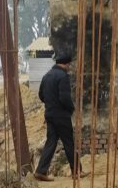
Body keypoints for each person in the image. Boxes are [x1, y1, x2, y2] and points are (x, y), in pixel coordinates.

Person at [34, 52, 84, 181]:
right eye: (69, 65)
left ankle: (41, 171)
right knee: (68, 142)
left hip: (49, 114)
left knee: (51, 142)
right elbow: (64, 98)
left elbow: (41, 95)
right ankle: (77, 171)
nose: (69, 67)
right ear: (66, 64)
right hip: (61, 116)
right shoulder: (62, 76)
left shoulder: (46, 76)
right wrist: (71, 109)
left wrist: (51, 103)